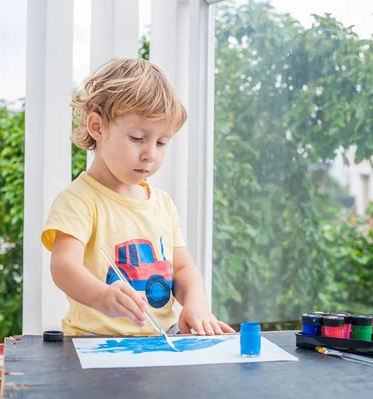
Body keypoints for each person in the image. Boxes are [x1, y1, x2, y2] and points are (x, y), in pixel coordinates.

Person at [41, 58, 235, 337]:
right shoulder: (79, 200)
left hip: (162, 341)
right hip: (94, 344)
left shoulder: (162, 204)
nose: (150, 155)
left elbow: (183, 268)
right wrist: (102, 297)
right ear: (97, 127)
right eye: (137, 138)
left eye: (161, 142)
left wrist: (197, 304)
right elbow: (63, 266)